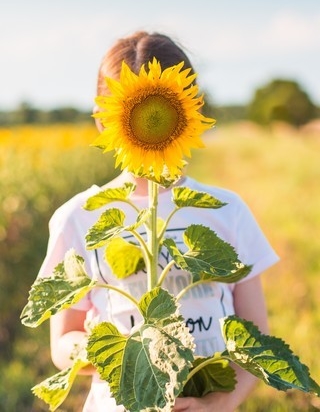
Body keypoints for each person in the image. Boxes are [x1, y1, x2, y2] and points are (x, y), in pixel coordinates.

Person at [38, 31, 279, 412]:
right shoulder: (79, 217)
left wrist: (218, 404)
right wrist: (114, 348)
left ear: (192, 109)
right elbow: (61, 344)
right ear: (104, 119)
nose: (152, 120)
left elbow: (257, 341)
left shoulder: (227, 210)